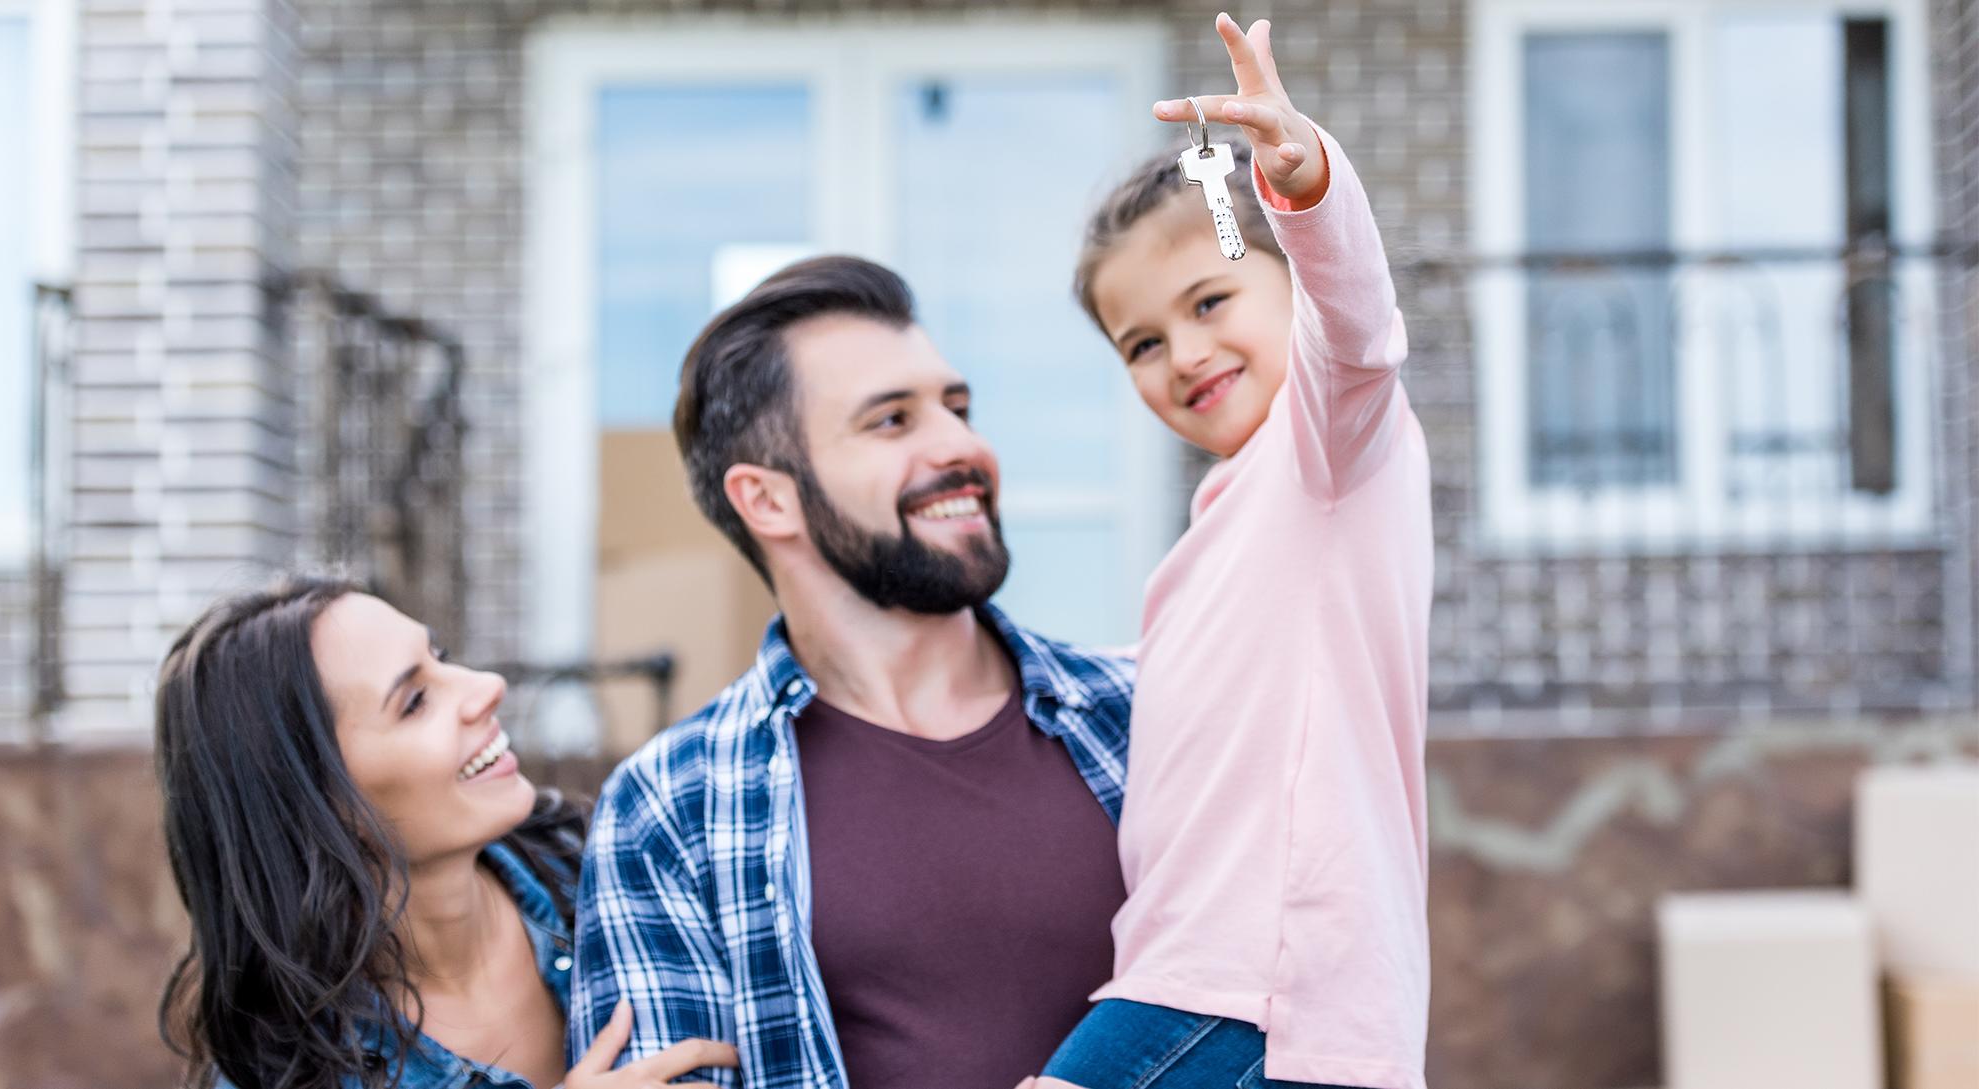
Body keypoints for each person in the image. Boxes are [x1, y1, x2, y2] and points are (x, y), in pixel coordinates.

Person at [567, 257, 1137, 1089]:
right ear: (768, 499)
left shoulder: (1143, 715)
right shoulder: (670, 806)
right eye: (892, 421)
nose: (962, 446)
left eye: (958, 408)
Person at [1036, 13, 1433, 1089]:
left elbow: (1358, 335)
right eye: (1142, 343)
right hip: (1217, 985)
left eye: (1210, 300)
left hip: (1251, 989)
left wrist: (1303, 190)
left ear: (1291, 287)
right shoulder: (1217, 528)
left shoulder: (1331, 445)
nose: (1185, 354)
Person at [154, 576, 738, 1089]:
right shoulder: (276, 1073)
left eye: (442, 656)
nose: (487, 686)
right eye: (415, 702)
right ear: (314, 804)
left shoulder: (623, 871)